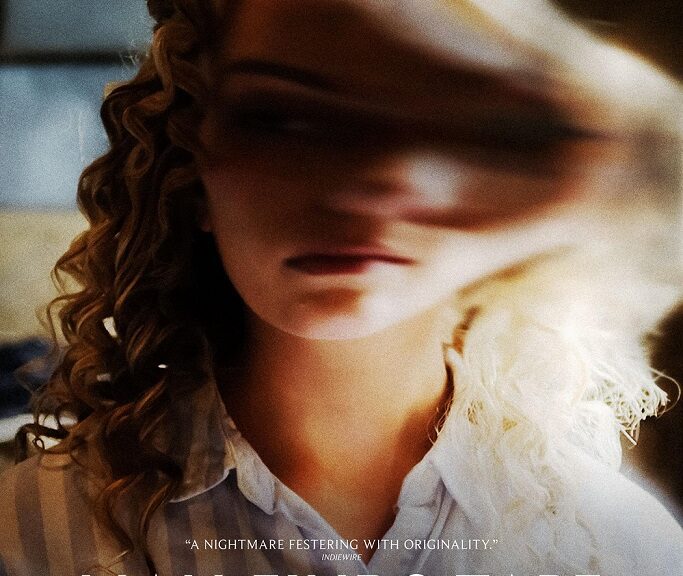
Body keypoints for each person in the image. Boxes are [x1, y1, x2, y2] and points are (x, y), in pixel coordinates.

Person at [0, 0, 681, 575]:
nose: (361, 188)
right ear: (194, 174)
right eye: (281, 119)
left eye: (435, 121)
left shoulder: (616, 547)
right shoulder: (31, 531)